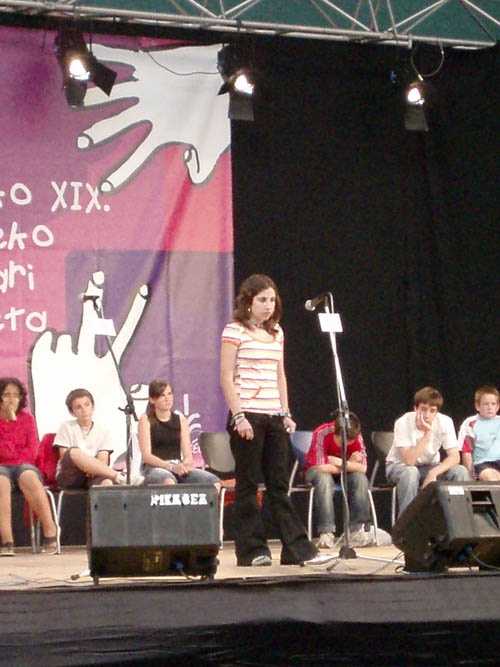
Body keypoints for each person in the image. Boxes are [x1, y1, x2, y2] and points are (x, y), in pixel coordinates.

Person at [220, 273, 319, 566]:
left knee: (279, 484)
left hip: (273, 415)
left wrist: (285, 412)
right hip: (247, 415)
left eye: (272, 300)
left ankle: (295, 548)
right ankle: (252, 550)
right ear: (248, 301)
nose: (268, 305)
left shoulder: (277, 333)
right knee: (248, 484)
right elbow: (226, 376)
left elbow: (280, 375)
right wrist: (239, 416)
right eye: (262, 299)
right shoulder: (234, 330)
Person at [305, 411, 392, 549]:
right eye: (342, 442)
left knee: (360, 479)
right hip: (316, 470)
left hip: (342, 470)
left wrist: (341, 463)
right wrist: (349, 465)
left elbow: (363, 468)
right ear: (336, 432)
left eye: (350, 442)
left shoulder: (357, 436)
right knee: (324, 480)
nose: (346, 445)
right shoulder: (322, 433)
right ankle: (326, 532)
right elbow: (321, 467)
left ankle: (357, 531)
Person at [386, 386, 469, 517]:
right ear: (416, 408)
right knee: (411, 472)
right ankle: (408, 524)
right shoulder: (403, 422)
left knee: (460, 471)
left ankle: (459, 521)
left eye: (432, 411)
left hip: (429, 467)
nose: (427, 415)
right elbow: (409, 461)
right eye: (423, 409)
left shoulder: (445, 422)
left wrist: (433, 473)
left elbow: (455, 457)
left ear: (437, 412)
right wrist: (427, 434)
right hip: (399, 466)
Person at [0, 377, 59, 556]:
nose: (12, 400)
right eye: (7, 395)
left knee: (29, 477)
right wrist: (9, 425)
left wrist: (11, 454)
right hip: (1, 467)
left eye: (16, 395)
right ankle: (7, 540)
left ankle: (51, 531)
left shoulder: (27, 419)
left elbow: (33, 450)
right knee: (1, 483)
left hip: (24, 465)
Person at [138, 379, 220, 490]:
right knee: (168, 481)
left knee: (213, 481)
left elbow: (188, 455)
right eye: (162, 395)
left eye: (169, 394)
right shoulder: (145, 420)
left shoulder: (180, 419)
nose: (167, 399)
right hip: (154, 468)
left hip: (177, 465)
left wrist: (185, 465)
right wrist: (171, 467)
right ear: (152, 399)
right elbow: (147, 456)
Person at [53, 388, 142, 488]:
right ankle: (120, 477)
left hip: (93, 474)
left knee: (107, 482)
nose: (84, 410)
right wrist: (86, 466)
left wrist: (92, 468)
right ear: (72, 412)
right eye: (78, 407)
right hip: (71, 475)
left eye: (87, 405)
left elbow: (103, 461)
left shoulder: (103, 430)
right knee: (74, 451)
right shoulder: (66, 427)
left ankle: (117, 481)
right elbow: (65, 457)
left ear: (93, 407)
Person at [457, 385, 500, 481]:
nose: (490, 407)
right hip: (483, 465)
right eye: (486, 404)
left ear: (498, 406)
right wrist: (469, 476)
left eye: (493, 404)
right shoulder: (470, 423)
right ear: (477, 406)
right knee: (492, 479)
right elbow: (467, 451)